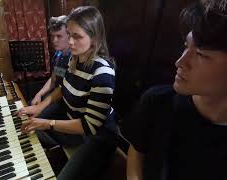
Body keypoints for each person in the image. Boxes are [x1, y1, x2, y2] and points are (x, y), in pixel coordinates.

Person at [123, 1, 227, 180]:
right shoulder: (157, 101)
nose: (180, 62)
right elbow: (137, 151)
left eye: (201, 55)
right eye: (186, 46)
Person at [19, 6, 118, 179]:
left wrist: (47, 123)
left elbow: (89, 126)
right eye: (70, 34)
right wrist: (39, 108)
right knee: (28, 128)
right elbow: (62, 89)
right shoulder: (74, 59)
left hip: (96, 138)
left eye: (77, 36)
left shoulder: (102, 73)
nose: (70, 42)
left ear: (94, 39)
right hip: (75, 126)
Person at [30, 15, 70, 106]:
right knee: (30, 104)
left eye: (59, 36)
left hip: (66, 102)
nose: (54, 40)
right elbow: (54, 78)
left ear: (69, 35)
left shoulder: (74, 59)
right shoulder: (58, 55)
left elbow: (64, 89)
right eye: (52, 36)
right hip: (56, 95)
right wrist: (39, 94)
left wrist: (42, 106)